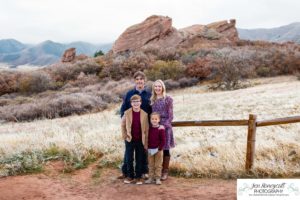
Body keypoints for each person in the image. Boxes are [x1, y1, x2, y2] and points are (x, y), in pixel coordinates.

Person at [119, 71, 151, 179]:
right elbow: (123, 109)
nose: (139, 81)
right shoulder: (129, 94)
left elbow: (151, 110)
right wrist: (124, 122)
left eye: (141, 79)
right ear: (135, 81)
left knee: (143, 150)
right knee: (128, 151)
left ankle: (144, 171)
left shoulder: (148, 94)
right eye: (137, 79)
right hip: (130, 127)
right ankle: (125, 171)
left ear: (144, 80)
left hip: (144, 126)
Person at [121, 95, 149, 185]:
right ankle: (130, 176)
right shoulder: (127, 113)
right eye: (134, 102)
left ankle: (138, 177)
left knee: (139, 158)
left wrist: (146, 142)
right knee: (129, 158)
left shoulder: (144, 114)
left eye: (137, 101)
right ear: (131, 103)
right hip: (130, 139)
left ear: (140, 102)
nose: (136, 103)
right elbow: (122, 125)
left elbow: (147, 129)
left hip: (140, 140)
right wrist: (125, 136)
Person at [150, 80, 174, 180]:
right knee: (156, 148)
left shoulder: (168, 99)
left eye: (159, 86)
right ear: (153, 88)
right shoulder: (152, 100)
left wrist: (163, 126)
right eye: (155, 86)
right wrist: (154, 125)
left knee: (166, 148)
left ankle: (165, 171)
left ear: (162, 87)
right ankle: (156, 172)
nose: (157, 88)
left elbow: (171, 115)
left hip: (165, 127)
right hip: (155, 127)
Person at [145, 112, 166, 185]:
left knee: (158, 164)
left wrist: (160, 148)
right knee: (150, 164)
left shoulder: (161, 129)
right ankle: (150, 178)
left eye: (156, 119)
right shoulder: (149, 129)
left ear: (159, 120)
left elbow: (163, 140)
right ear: (150, 120)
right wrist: (147, 147)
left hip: (158, 150)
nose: (154, 120)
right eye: (152, 119)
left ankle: (157, 178)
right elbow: (147, 138)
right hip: (150, 149)